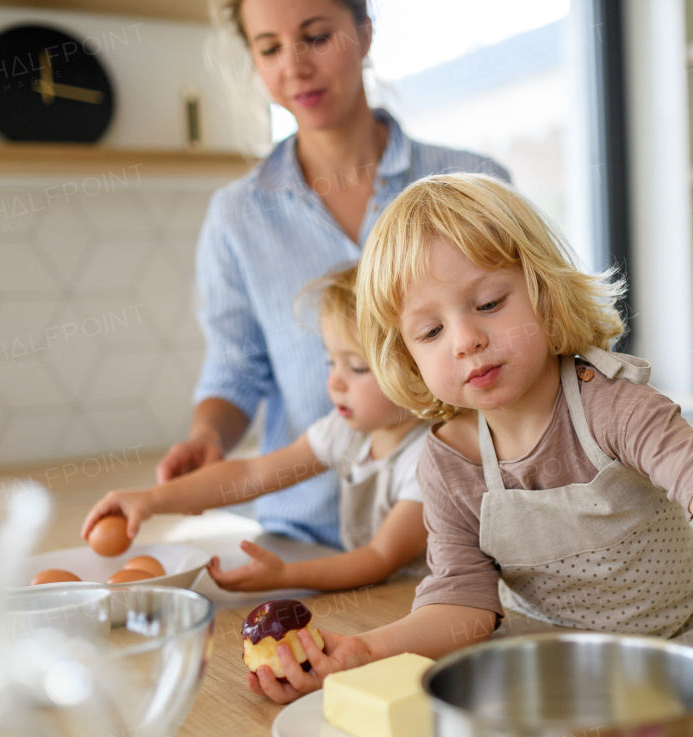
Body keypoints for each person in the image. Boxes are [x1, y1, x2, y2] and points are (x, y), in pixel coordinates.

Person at [246, 174, 693, 723]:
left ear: (543, 290)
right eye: (432, 330)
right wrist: (366, 650)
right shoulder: (446, 464)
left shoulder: (610, 404)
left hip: (674, 667)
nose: (465, 339)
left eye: (489, 303)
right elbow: (462, 606)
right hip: (549, 677)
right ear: (405, 357)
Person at [159, 0, 507, 549]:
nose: (293, 66)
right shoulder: (237, 216)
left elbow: (529, 334)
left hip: (464, 534)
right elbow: (235, 370)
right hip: (302, 532)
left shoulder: (471, 183)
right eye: (269, 48)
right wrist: (209, 437)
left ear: (364, 33)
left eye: (316, 37)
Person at [82, 266, 430, 591]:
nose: (334, 382)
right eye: (330, 362)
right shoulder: (349, 431)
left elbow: (380, 559)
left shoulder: (429, 459)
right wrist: (149, 500)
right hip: (380, 592)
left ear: (419, 369)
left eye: (357, 367)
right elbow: (251, 473)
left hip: (412, 599)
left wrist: (285, 575)